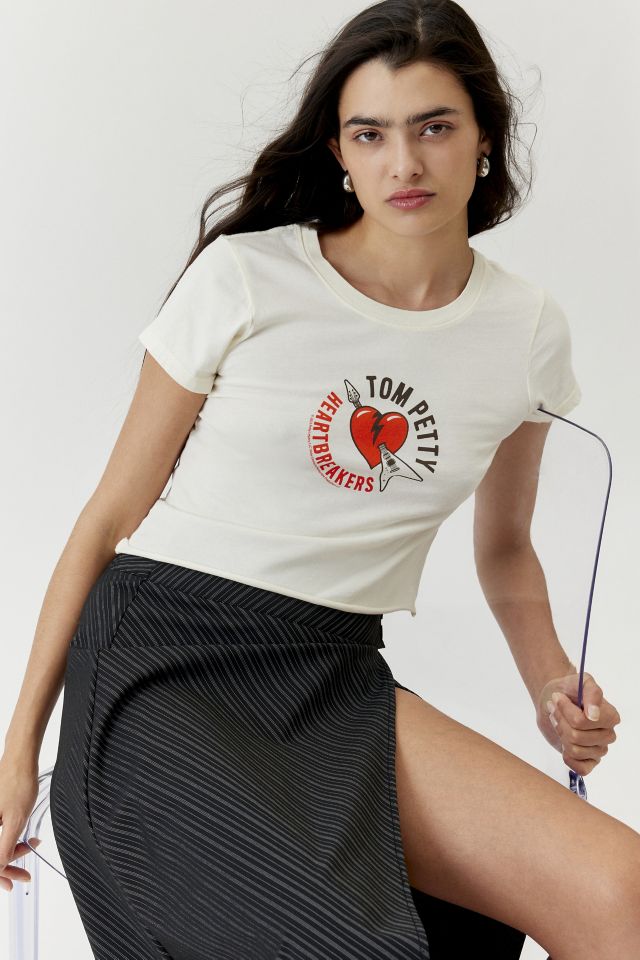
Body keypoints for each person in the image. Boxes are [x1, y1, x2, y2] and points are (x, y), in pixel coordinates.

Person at [1, 1, 638, 958]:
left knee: (618, 891)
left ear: (485, 138)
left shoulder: (526, 331)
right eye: (370, 134)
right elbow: (106, 520)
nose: (404, 164)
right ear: (339, 152)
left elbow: (505, 548)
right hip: (163, 666)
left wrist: (553, 682)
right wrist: (17, 756)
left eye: (434, 127)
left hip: (334, 671)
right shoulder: (247, 277)